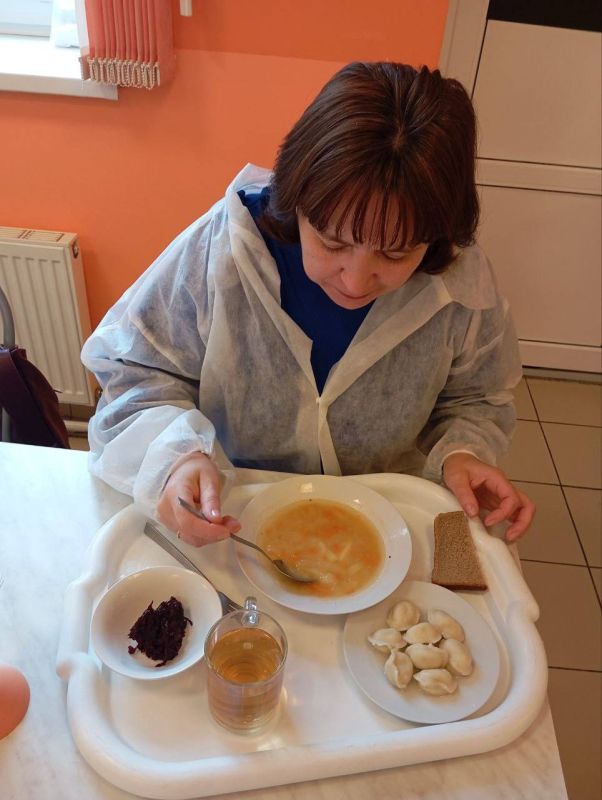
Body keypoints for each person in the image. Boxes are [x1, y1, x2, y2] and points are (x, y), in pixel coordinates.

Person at [82, 61, 535, 548]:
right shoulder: (224, 254)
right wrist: (177, 458)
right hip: (235, 520)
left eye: (397, 252)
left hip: (388, 525)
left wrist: (462, 454)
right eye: (333, 243)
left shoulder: (457, 280)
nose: (357, 279)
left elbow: (476, 398)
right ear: (295, 198)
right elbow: (136, 376)